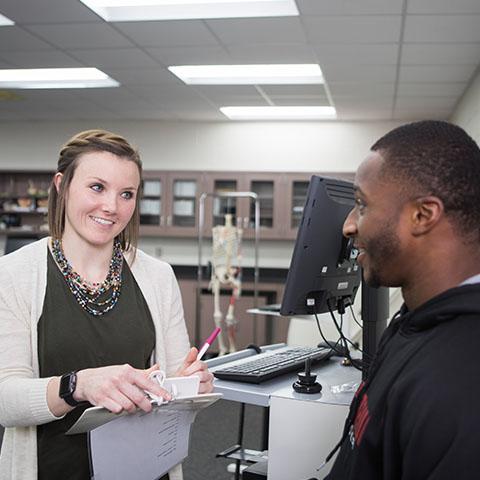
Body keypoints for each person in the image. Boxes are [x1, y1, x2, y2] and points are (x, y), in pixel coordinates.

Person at [0, 130, 214, 480]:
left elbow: (176, 390)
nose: (112, 207)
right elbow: (5, 400)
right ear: (62, 185)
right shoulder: (13, 274)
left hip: (143, 469)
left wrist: (193, 387)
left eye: (126, 194)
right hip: (53, 468)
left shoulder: (158, 277)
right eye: (97, 187)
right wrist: (77, 385)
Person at [325, 120, 480, 479]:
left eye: (362, 205)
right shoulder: (416, 321)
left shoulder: (460, 389)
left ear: (422, 215)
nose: (349, 226)